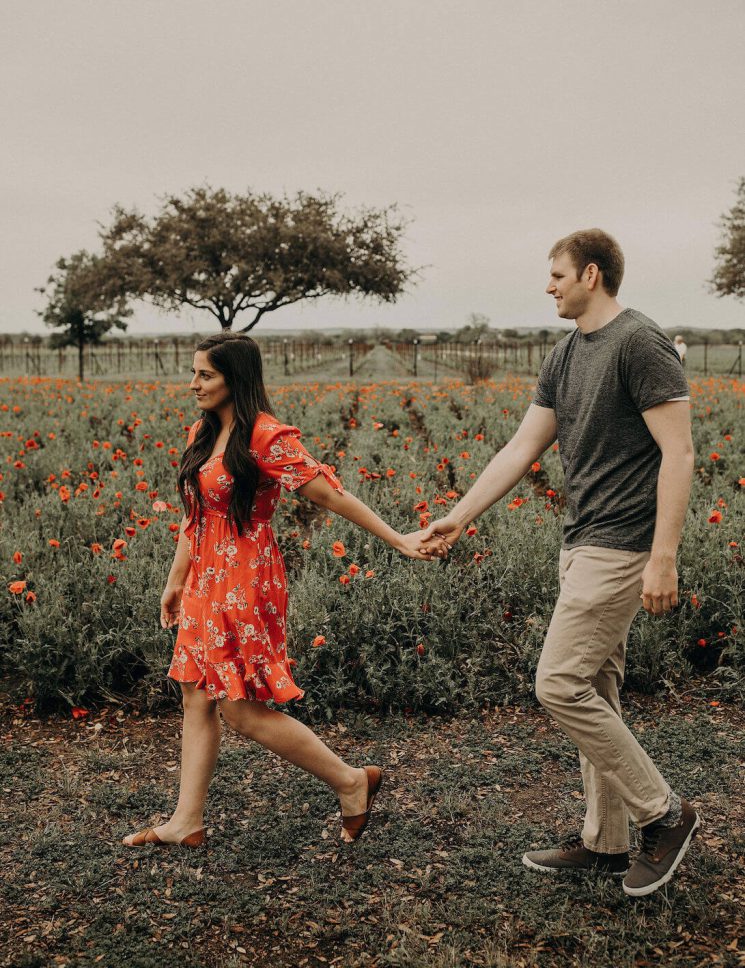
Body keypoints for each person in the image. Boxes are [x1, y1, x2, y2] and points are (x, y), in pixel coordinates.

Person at [421, 229, 699, 897]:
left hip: (622, 547)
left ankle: (663, 814)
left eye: (556, 275)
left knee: (559, 683)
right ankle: (605, 843)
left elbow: (679, 454)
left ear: (592, 275)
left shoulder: (639, 342)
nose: (547, 286)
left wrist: (661, 557)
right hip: (578, 543)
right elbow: (523, 447)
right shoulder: (566, 351)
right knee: (594, 690)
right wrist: (459, 516)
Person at [123, 331, 446, 850]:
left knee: (238, 707)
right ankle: (187, 821)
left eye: (205, 374)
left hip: (245, 578)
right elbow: (194, 518)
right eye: (194, 372)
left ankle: (350, 780)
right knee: (195, 693)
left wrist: (399, 540)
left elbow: (333, 495)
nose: (193, 384)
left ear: (236, 378)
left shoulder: (266, 438)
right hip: (206, 575)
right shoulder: (202, 434)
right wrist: (175, 581)